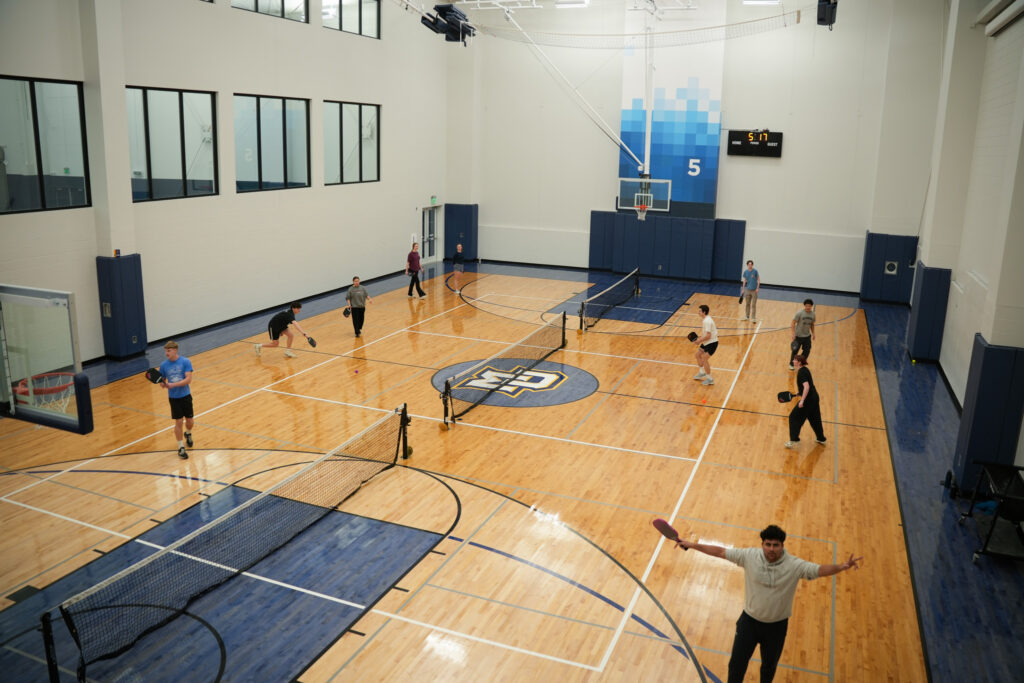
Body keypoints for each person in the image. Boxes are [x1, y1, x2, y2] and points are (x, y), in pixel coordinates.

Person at [676, 525, 862, 683]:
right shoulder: (749, 556)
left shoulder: (794, 565)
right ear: (762, 544)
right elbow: (720, 552)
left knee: (768, 668)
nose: (771, 549)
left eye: (775, 545)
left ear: (782, 546)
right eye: (768, 544)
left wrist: (841, 567)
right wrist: (692, 545)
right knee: (736, 665)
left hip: (776, 628)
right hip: (749, 623)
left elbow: (819, 570)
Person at [159, 341, 194, 459]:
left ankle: (188, 433)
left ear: (175, 350)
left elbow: (188, 380)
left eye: (168, 351)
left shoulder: (185, 362)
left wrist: (173, 385)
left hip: (185, 396)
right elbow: (162, 380)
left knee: (190, 421)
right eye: (165, 351)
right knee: (178, 421)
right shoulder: (164, 365)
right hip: (174, 398)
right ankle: (181, 447)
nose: (166, 353)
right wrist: (163, 384)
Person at [786, 354, 827, 447]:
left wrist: (802, 401)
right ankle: (821, 438)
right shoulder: (805, 369)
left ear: (799, 362)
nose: (793, 361)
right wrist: (800, 393)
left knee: (793, 417)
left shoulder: (801, 373)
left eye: (795, 360)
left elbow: (807, 386)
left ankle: (794, 439)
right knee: (815, 419)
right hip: (814, 397)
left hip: (808, 400)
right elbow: (808, 386)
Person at [692, 304, 718, 386]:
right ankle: (702, 372)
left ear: (704, 312)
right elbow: (706, 335)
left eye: (700, 311)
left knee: (704, 358)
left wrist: (699, 340)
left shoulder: (707, 321)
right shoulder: (705, 319)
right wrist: (700, 339)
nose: (698, 312)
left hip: (712, 343)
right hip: (706, 342)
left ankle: (710, 379)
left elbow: (708, 335)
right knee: (697, 355)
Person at [789, 299, 816, 370]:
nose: (808, 307)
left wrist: (813, 333)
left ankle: (800, 362)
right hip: (798, 336)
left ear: (811, 306)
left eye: (809, 306)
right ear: (804, 306)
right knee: (795, 351)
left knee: (807, 351)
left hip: (807, 336)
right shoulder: (799, 313)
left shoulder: (813, 314)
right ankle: (791, 364)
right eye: (806, 306)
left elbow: (812, 324)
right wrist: (793, 333)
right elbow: (793, 323)